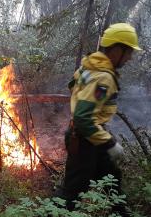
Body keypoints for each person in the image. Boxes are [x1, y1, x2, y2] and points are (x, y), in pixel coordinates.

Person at [59, 23, 141, 214]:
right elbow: (83, 118)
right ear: (117, 50)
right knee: (72, 194)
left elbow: (72, 85)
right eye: (128, 52)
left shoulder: (89, 65)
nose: (130, 58)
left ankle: (120, 212)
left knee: (112, 177)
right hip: (85, 139)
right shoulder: (103, 77)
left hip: (89, 137)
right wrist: (109, 143)